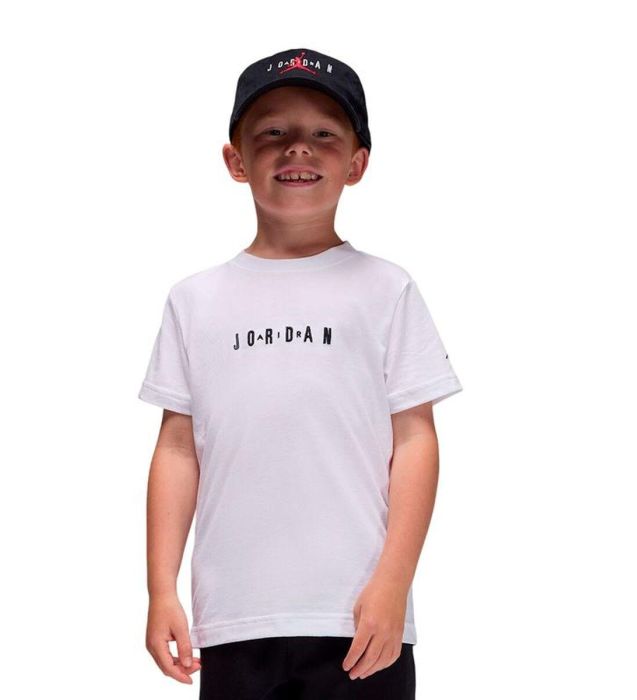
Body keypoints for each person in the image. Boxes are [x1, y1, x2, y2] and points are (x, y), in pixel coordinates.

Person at [138, 47, 463, 699]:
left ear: (357, 163)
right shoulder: (194, 300)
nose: (297, 149)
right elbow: (177, 448)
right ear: (236, 160)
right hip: (234, 618)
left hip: (359, 619)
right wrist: (160, 590)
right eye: (273, 133)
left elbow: (415, 441)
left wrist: (393, 582)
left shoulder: (387, 289)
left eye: (323, 134)